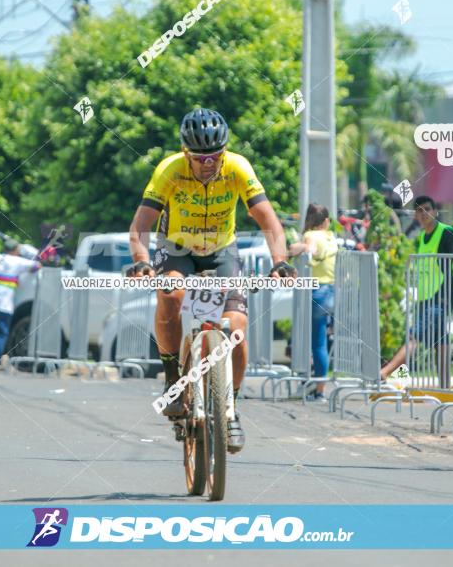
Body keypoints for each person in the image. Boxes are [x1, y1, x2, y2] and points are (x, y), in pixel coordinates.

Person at [127, 107, 296, 454]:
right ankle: (174, 381)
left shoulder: (238, 167)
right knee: (171, 296)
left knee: (236, 327)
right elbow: (140, 226)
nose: (209, 163)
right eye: (200, 157)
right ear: (186, 153)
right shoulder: (168, 171)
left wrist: (280, 261)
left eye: (215, 156)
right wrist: (142, 261)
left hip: (222, 251)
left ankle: (231, 409)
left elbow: (269, 221)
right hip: (176, 249)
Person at [378, 196, 453, 388]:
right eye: (419, 210)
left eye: (427, 209)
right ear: (415, 215)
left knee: (414, 336)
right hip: (427, 296)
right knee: (439, 340)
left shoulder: (446, 233)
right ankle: (444, 387)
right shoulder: (422, 238)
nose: (423, 214)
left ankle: (385, 374)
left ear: (435, 211)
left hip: (441, 297)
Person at [288, 203, 339, 401]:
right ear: (326, 221)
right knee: (323, 341)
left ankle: (318, 389)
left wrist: (294, 248)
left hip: (316, 290)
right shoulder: (330, 236)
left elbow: (310, 249)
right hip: (332, 290)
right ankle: (316, 386)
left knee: (316, 343)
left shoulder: (311, 235)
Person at [0, 236, 41, 369]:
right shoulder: (17, 261)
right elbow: (37, 264)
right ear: (15, 250)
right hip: (3, 302)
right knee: (2, 332)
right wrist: (26, 250)